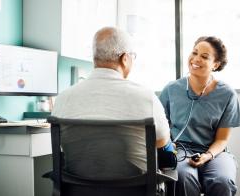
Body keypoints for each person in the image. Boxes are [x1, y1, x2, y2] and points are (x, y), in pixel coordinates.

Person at [52, 27, 171, 180]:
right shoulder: (145, 97)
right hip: (134, 190)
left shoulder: (63, 98)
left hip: (78, 189)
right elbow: (161, 141)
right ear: (125, 58)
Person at [159, 36, 240, 196]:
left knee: (222, 181)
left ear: (215, 64)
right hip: (181, 149)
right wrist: (168, 145)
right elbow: (161, 127)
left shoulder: (227, 94)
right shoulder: (171, 89)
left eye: (204, 57)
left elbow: (222, 139)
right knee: (182, 177)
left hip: (215, 152)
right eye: (194, 53)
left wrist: (207, 156)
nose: (196, 59)